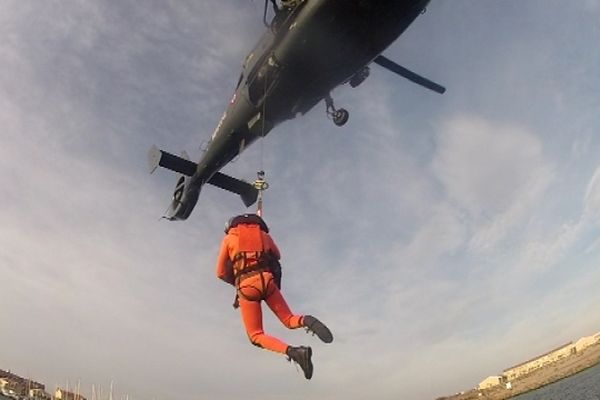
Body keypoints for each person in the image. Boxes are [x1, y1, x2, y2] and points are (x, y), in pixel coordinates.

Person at [216, 213, 333, 379]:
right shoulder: (264, 235)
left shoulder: (228, 239)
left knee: (256, 335)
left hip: (247, 287)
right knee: (289, 320)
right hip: (268, 281)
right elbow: (277, 255)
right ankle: (307, 320)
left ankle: (295, 352)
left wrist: (236, 279)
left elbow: (220, 272)